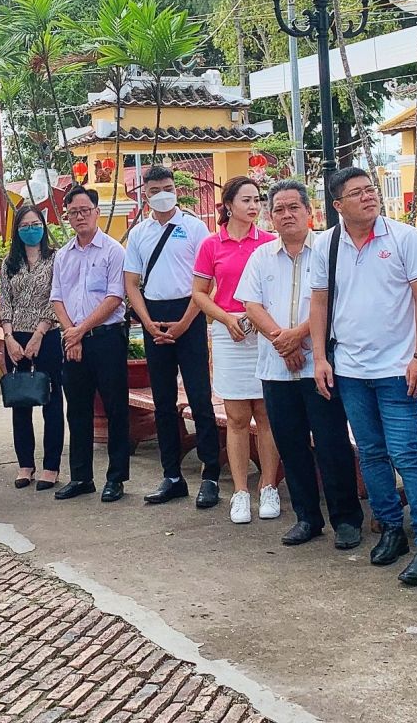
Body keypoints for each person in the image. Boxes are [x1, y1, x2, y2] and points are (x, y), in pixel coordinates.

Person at [309, 167, 417, 587]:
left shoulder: (404, 238)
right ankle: (391, 529)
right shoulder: (326, 245)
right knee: (369, 453)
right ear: (337, 205)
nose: (369, 197)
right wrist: (319, 357)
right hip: (350, 369)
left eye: (371, 190)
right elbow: (319, 303)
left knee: (406, 453)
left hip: (398, 369)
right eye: (357, 193)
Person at [237, 180, 362, 549]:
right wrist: (282, 339)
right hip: (276, 368)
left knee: (332, 444)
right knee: (290, 445)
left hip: (318, 366)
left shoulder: (328, 249)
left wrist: (300, 337)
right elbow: (251, 305)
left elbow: (335, 300)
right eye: (279, 209)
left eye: (294, 207)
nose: (287, 214)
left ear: (310, 212)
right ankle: (307, 517)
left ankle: (346, 521)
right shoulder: (261, 256)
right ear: (270, 216)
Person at [123, 165, 221, 509]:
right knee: (163, 401)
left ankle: (210, 475)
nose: (162, 194)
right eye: (154, 190)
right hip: (153, 316)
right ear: (144, 194)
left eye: (167, 187)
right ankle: (172, 476)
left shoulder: (194, 228)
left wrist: (184, 322)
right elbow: (131, 284)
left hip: (189, 314)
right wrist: (147, 322)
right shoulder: (139, 234)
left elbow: (205, 284)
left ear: (175, 189)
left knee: (199, 397)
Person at [192, 175, 282, 523]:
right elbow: (199, 293)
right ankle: (241, 491)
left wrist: (260, 321)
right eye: (246, 200)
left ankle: (269, 487)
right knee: (237, 418)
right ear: (228, 205)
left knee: (267, 415)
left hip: (263, 331)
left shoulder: (269, 243)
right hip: (229, 333)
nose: (254, 206)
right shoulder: (212, 245)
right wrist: (226, 319)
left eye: (257, 199)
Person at [50, 185, 130, 503]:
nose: (80, 216)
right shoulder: (63, 255)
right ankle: (81, 477)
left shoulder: (113, 251)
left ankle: (116, 478)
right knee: (78, 411)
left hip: (107, 339)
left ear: (96, 212)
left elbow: (114, 298)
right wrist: (72, 334)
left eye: (85, 210)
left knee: (115, 409)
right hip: (73, 341)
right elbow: (57, 297)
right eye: (74, 212)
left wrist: (80, 331)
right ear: (67, 216)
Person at [0, 203, 65, 490]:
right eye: (25, 226)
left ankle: (51, 467)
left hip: (47, 337)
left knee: (51, 401)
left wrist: (39, 334)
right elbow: (6, 300)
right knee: (20, 401)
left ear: (44, 226)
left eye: (36, 224)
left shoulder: (56, 258)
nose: (31, 230)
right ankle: (25, 464)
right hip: (16, 340)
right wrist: (9, 337)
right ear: (17, 231)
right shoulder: (10, 262)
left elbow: (56, 297)